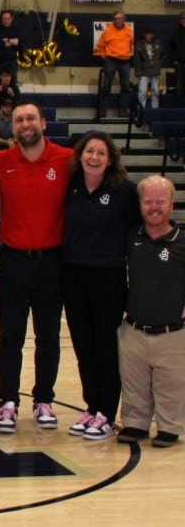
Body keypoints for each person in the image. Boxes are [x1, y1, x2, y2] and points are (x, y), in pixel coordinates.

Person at [0, 101, 74, 433]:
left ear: (43, 122)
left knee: (48, 335)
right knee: (10, 336)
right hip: (13, 260)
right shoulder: (2, 160)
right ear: (12, 127)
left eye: (30, 118)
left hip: (52, 261)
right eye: (19, 120)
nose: (25, 124)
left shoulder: (66, 159)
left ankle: (44, 400)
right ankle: (7, 402)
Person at [62, 132, 139, 441]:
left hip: (108, 278)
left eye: (101, 153)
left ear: (110, 160)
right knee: (83, 346)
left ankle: (106, 412)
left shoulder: (124, 190)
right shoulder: (72, 186)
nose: (94, 157)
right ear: (80, 155)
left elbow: (136, 233)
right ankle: (92, 407)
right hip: (73, 276)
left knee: (105, 348)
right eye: (89, 151)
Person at [117, 176, 185, 448]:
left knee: (171, 384)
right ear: (140, 204)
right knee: (134, 384)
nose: (154, 207)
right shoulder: (131, 237)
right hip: (134, 328)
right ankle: (135, 423)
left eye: (160, 201)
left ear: (171, 204)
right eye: (148, 202)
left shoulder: (181, 241)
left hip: (172, 332)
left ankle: (169, 427)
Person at [95, 10, 133, 118]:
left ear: (124, 19)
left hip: (125, 61)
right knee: (107, 85)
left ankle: (123, 110)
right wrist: (105, 57)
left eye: (120, 18)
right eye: (116, 18)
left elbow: (130, 44)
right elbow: (100, 46)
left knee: (126, 86)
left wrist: (126, 54)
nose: (118, 20)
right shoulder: (108, 31)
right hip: (111, 60)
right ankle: (103, 109)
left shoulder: (129, 30)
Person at [134, 28, 164, 110]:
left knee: (156, 91)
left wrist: (158, 63)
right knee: (142, 92)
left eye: (151, 34)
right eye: (148, 34)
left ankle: (155, 110)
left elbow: (163, 55)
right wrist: (138, 73)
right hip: (144, 71)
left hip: (155, 71)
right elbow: (136, 60)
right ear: (145, 35)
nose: (149, 36)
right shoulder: (139, 45)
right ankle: (140, 111)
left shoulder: (158, 43)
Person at [0, 10, 22, 80]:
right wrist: (12, 41)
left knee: (12, 81)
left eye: (8, 19)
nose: (6, 21)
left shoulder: (16, 30)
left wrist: (7, 40)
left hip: (12, 62)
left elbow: (19, 43)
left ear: (11, 19)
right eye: (4, 19)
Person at [167, 11, 185, 107]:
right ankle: (181, 109)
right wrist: (174, 60)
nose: (184, 20)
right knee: (180, 87)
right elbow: (171, 48)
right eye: (183, 18)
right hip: (180, 64)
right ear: (180, 20)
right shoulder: (176, 33)